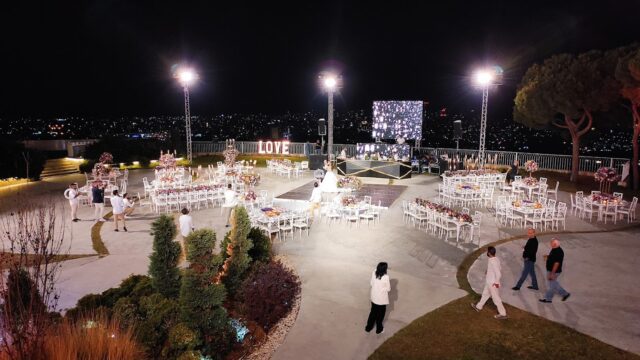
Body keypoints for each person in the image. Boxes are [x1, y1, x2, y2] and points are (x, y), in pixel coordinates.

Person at [471, 246, 508, 319]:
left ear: (489, 253)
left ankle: (503, 314)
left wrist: (496, 283)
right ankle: (478, 307)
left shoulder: (493, 261)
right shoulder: (494, 259)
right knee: (485, 295)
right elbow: (499, 268)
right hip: (489, 282)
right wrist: (488, 271)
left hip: (492, 284)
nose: (486, 252)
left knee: (496, 299)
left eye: (487, 251)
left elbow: (498, 273)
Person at [539, 238, 571, 303]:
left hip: (554, 271)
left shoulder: (558, 252)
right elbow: (553, 257)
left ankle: (548, 299)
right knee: (554, 284)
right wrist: (548, 257)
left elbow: (556, 263)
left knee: (551, 286)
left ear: (555, 244)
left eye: (551, 243)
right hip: (551, 270)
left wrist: (552, 273)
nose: (550, 243)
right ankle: (565, 294)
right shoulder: (554, 249)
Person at [365, 262, 391, 334]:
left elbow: (371, 283)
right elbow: (388, 289)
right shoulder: (386, 277)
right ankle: (379, 329)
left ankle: (368, 327)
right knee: (380, 315)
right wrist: (382, 288)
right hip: (381, 300)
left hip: (374, 298)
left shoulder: (374, 272)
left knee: (373, 313)